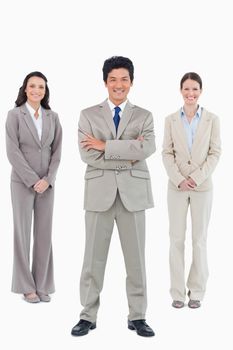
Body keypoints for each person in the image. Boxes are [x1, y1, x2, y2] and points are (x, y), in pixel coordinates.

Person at [71, 56, 155, 337]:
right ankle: (87, 315)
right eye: (113, 79)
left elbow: (147, 149)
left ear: (131, 82)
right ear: (105, 82)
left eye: (124, 79)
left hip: (134, 195)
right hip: (99, 193)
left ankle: (138, 315)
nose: (119, 85)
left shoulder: (144, 115)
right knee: (92, 258)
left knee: (137, 260)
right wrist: (127, 152)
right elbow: (87, 154)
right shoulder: (87, 115)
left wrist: (105, 145)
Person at [162, 72, 221, 309]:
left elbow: (215, 152)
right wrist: (179, 179)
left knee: (199, 240)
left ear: (201, 91)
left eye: (195, 89)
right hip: (176, 187)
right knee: (175, 239)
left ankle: (196, 291)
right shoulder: (170, 120)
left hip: (202, 187)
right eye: (186, 89)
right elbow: (166, 152)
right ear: (180, 91)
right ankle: (177, 293)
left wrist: (195, 178)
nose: (190, 93)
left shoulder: (212, 119)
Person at [6, 71, 62, 303]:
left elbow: (57, 151)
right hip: (22, 183)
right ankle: (25, 286)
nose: (37, 90)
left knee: (44, 233)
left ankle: (42, 284)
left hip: (47, 184)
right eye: (33, 86)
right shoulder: (14, 115)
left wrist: (48, 179)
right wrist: (32, 180)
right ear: (25, 89)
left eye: (41, 87)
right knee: (22, 233)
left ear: (45, 91)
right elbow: (12, 152)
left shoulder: (52, 116)